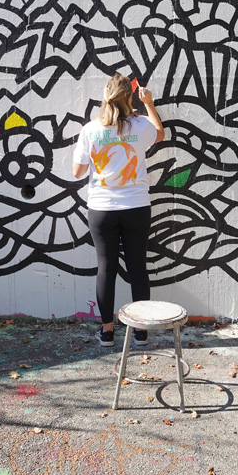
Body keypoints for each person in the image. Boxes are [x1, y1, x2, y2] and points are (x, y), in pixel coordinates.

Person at [72, 74, 165, 347]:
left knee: (106, 267)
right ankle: (140, 331)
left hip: (101, 209)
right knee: (138, 267)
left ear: (105, 96)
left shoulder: (91, 129)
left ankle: (108, 331)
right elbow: (160, 135)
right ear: (129, 98)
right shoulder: (139, 124)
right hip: (136, 207)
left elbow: (77, 172)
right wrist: (148, 104)